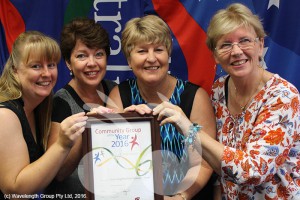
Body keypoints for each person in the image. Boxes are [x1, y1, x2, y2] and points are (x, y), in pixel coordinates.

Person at [152, 3, 300, 200]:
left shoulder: (283, 96)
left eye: (245, 40)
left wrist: (188, 127)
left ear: (260, 44)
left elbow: (252, 171)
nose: (236, 51)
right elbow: (218, 163)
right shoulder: (219, 90)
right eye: (226, 45)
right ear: (214, 54)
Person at [107, 15, 216, 200]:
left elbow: (205, 162)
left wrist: (180, 197)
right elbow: (112, 161)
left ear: (168, 54)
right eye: (142, 51)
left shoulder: (194, 97)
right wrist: (119, 130)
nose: (151, 58)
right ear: (129, 60)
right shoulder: (120, 95)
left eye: (159, 49)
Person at [0, 31, 87, 198]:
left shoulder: (40, 107)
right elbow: (15, 191)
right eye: (36, 66)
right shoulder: (5, 115)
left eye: (51, 65)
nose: (47, 74)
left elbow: (54, 172)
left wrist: (91, 123)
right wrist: (62, 144)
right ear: (15, 70)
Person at [46, 17, 116, 197]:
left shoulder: (114, 91)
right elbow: (59, 173)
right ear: (68, 63)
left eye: (98, 54)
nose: (92, 63)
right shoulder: (60, 102)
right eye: (82, 55)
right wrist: (87, 127)